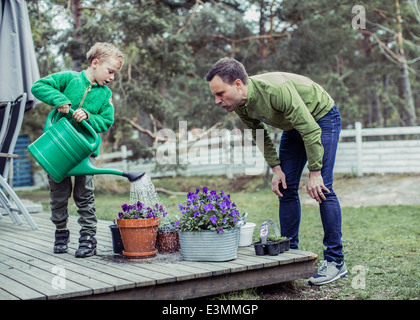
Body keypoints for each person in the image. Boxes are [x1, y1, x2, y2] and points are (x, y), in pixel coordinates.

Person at [206, 57, 347, 285]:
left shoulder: (275, 91)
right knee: (286, 187)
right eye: (215, 95)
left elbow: (310, 130)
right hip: (293, 125)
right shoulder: (241, 105)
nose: (217, 100)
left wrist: (315, 172)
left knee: (323, 188)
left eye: (220, 93)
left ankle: (336, 261)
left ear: (239, 84)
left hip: (321, 117)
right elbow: (259, 134)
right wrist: (276, 168)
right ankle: (291, 254)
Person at [31, 42, 124, 258]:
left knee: (84, 195)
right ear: (95, 63)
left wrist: (90, 117)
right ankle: (61, 232)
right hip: (57, 149)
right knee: (59, 194)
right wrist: (59, 100)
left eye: (114, 74)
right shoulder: (69, 79)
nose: (111, 77)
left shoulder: (104, 95)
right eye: (110, 71)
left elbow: (107, 121)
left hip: (83, 152)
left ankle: (88, 238)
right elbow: (38, 86)